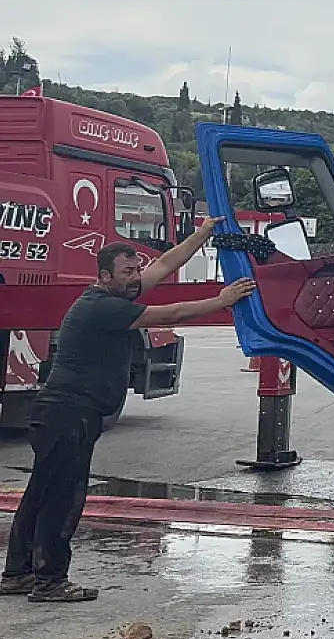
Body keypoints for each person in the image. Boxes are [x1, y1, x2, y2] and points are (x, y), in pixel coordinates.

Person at [2, 228, 256, 602]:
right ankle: (50, 582)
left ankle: (18, 574)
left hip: (61, 415)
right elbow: (174, 312)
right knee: (63, 500)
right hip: (68, 416)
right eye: (128, 272)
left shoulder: (118, 290)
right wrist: (223, 299)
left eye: (137, 269)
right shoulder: (103, 306)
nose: (136, 276)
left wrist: (201, 233)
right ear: (104, 277)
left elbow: (167, 263)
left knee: (40, 494)